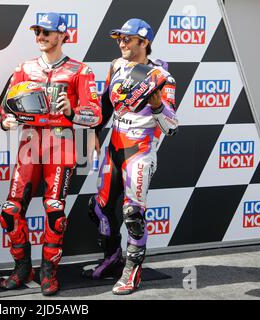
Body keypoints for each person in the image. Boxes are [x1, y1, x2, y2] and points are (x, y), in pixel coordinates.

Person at [0, 12, 102, 296]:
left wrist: (70, 111)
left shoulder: (81, 71)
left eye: (46, 32)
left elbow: (95, 114)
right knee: (10, 213)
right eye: (37, 33)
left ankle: (48, 271)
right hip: (29, 143)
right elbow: (5, 110)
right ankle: (22, 267)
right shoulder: (24, 68)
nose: (40, 37)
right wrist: (7, 120)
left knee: (54, 211)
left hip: (60, 144)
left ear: (62, 35)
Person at [86, 18, 178, 295]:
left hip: (140, 150)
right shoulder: (116, 65)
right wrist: (94, 132)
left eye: (127, 39)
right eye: (119, 39)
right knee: (99, 208)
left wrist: (158, 105)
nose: (122, 43)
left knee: (133, 213)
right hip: (114, 146)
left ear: (144, 42)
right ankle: (112, 259)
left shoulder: (162, 76)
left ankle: (132, 271)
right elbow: (104, 104)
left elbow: (171, 127)